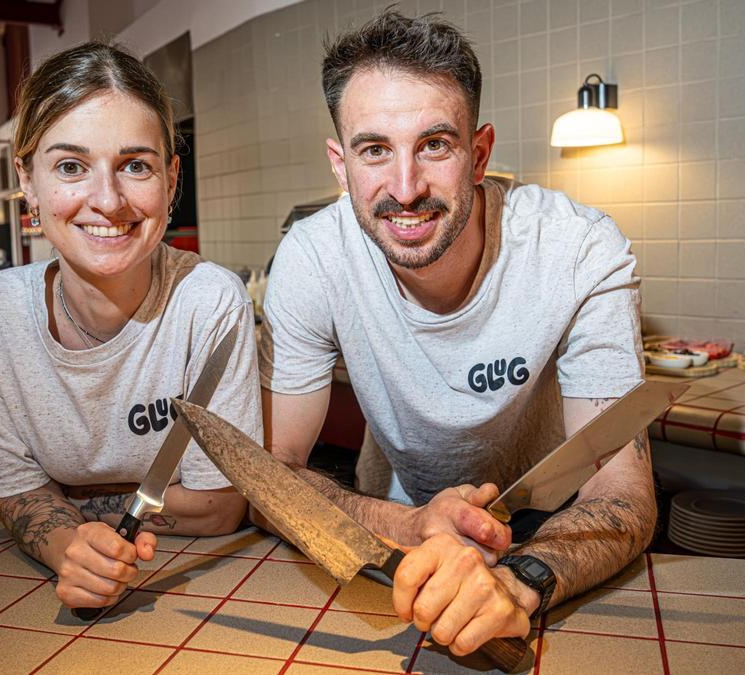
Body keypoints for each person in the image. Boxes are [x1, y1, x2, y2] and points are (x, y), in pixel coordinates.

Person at [258, 11, 650, 656]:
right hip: (391, 541)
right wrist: (409, 524)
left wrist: (520, 582)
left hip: (557, 550)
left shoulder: (580, 248)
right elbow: (275, 476)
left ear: (479, 153)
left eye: (435, 144)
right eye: (374, 149)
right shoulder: (312, 257)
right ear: (340, 163)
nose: (405, 188)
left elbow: (622, 490)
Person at [0, 42, 261, 611]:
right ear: (29, 182)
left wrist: (54, 494)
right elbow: (19, 494)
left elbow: (219, 509)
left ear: (170, 177)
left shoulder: (209, 303)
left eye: (135, 166)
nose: (108, 200)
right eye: (70, 167)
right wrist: (65, 544)